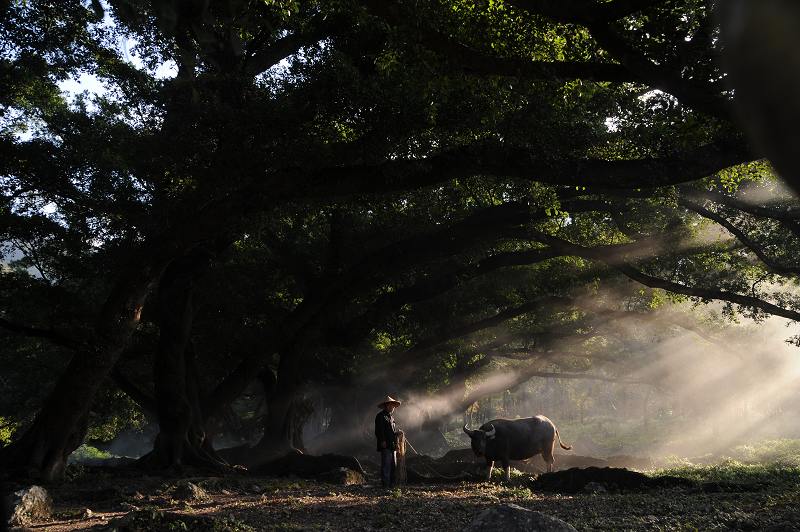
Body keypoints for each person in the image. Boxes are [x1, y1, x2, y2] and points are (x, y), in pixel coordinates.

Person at [374, 395, 402, 488]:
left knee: (393, 464)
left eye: (393, 406)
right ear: (386, 406)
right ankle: (385, 484)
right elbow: (379, 430)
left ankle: (392, 484)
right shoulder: (380, 416)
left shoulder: (392, 418)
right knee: (386, 465)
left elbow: (392, 432)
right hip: (385, 444)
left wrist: (397, 433)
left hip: (392, 444)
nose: (392, 407)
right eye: (390, 405)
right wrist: (382, 441)